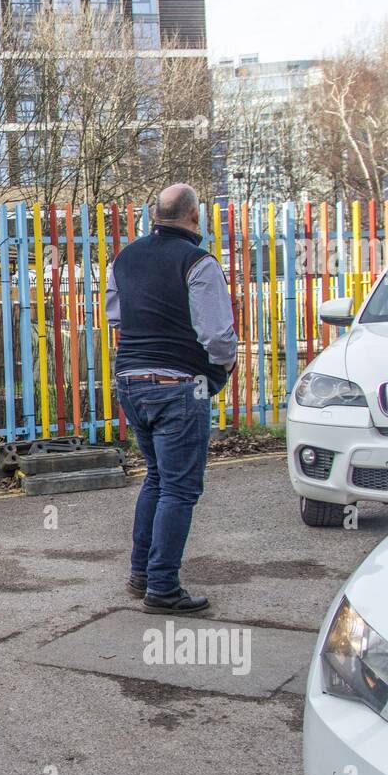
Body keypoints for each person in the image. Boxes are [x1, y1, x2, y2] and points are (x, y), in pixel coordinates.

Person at [106, 184, 237, 615]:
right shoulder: (198, 262)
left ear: (155, 215)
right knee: (179, 488)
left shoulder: (125, 258)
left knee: (157, 478)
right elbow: (217, 335)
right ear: (194, 216)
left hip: (130, 380)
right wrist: (222, 367)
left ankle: (141, 573)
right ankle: (162, 587)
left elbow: (115, 317)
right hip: (178, 384)